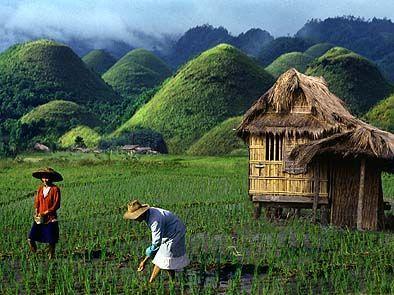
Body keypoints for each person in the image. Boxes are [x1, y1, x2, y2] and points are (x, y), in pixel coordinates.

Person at [124, 200, 189, 283]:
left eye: (135, 217)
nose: (134, 220)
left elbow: (156, 244)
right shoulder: (150, 213)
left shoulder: (155, 220)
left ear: (141, 214)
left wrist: (144, 261)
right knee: (164, 259)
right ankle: (169, 280)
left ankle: (152, 282)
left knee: (164, 259)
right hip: (168, 232)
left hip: (175, 233)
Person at [28, 167, 63, 260]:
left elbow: (56, 205)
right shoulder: (40, 189)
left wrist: (46, 212)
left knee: (51, 240)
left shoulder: (55, 189)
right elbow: (37, 203)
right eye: (43, 178)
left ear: (51, 178)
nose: (45, 180)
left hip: (51, 218)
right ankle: (34, 254)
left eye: (47, 177)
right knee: (31, 238)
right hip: (40, 217)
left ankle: (51, 256)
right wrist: (36, 213)